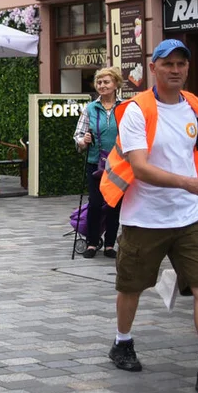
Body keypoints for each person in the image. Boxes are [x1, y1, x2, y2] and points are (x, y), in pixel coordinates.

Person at [100, 39, 198, 393]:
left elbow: (193, 155)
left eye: (182, 64)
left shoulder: (196, 106)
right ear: (154, 68)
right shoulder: (138, 110)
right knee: (131, 287)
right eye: (168, 64)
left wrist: (196, 191)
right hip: (144, 217)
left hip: (189, 216)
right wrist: (188, 183)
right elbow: (140, 168)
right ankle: (122, 341)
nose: (176, 70)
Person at [74, 67, 123, 258]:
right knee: (95, 203)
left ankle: (110, 244)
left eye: (106, 82)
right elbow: (78, 135)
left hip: (118, 164)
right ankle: (92, 243)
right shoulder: (90, 109)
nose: (102, 86)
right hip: (95, 163)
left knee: (114, 204)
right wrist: (82, 140)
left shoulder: (125, 107)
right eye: (99, 82)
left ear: (116, 84)